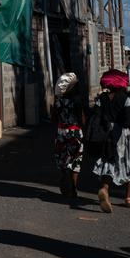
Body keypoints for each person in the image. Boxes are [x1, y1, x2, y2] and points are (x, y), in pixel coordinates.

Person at [90, 68, 130, 213]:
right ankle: (128, 198)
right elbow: (129, 121)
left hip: (106, 133)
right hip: (123, 134)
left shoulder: (101, 99)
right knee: (129, 162)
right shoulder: (126, 99)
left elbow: (96, 117)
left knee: (108, 160)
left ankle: (105, 188)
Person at [51, 73, 85, 203]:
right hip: (75, 132)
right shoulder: (77, 101)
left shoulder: (58, 101)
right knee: (76, 161)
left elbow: (53, 118)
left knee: (63, 160)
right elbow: (82, 119)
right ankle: (73, 189)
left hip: (61, 132)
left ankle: (65, 185)